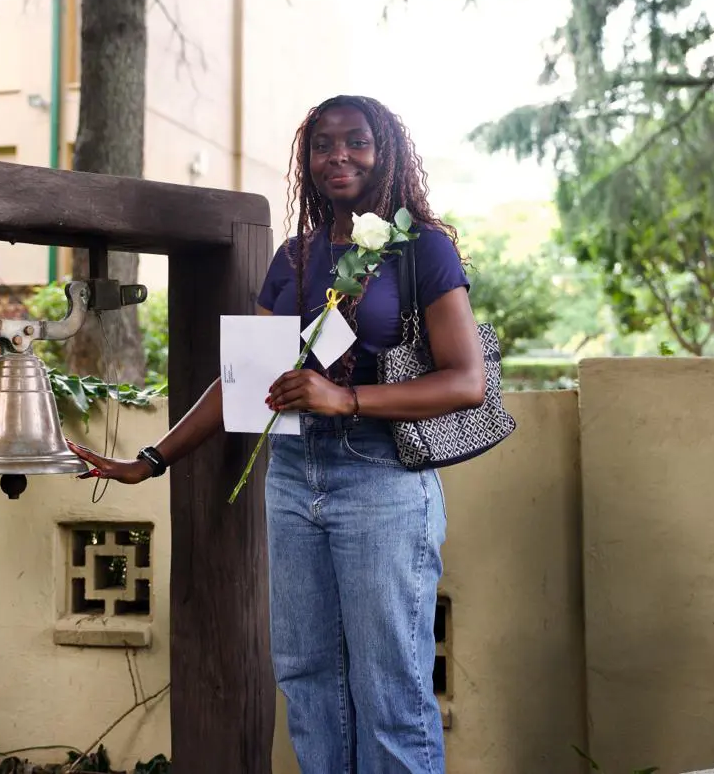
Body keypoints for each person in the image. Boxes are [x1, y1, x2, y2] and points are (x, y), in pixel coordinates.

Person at [70, 95, 484, 774]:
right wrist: (151, 458)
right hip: (292, 478)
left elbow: (465, 380)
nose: (338, 155)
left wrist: (343, 397)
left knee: (390, 688)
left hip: (382, 481)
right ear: (307, 158)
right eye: (323, 143)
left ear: (389, 154)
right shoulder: (295, 257)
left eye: (357, 141)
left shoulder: (422, 251)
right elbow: (244, 379)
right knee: (307, 678)